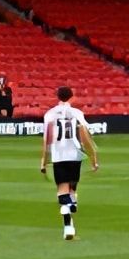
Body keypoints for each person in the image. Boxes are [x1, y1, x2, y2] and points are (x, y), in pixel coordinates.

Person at [40, 86, 99, 241]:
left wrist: (43, 162)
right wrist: (93, 158)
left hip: (59, 157)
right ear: (72, 97)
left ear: (57, 96)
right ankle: (72, 203)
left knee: (62, 190)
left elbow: (47, 140)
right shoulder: (77, 113)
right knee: (72, 187)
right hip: (75, 155)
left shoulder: (50, 115)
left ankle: (68, 227)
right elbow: (85, 137)